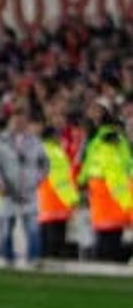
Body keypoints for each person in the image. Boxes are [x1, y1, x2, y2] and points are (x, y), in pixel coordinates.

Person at [0, 110, 45, 265]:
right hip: (7, 193)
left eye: (22, 122)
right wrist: (0, 185)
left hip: (28, 192)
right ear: (10, 123)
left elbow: (44, 164)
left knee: (33, 228)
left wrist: (36, 180)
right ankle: (7, 258)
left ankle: (33, 258)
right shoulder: (0, 142)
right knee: (6, 228)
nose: (19, 125)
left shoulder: (35, 142)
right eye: (16, 122)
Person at [78, 111, 131, 262]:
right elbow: (118, 177)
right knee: (109, 246)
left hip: (103, 203)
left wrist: (81, 182)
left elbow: (88, 168)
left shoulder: (97, 142)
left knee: (104, 245)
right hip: (112, 204)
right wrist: (128, 205)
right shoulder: (115, 143)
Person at [38, 120, 77, 259]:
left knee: (44, 245)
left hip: (43, 205)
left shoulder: (39, 150)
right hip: (56, 204)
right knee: (55, 248)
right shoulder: (54, 153)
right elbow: (60, 181)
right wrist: (72, 200)